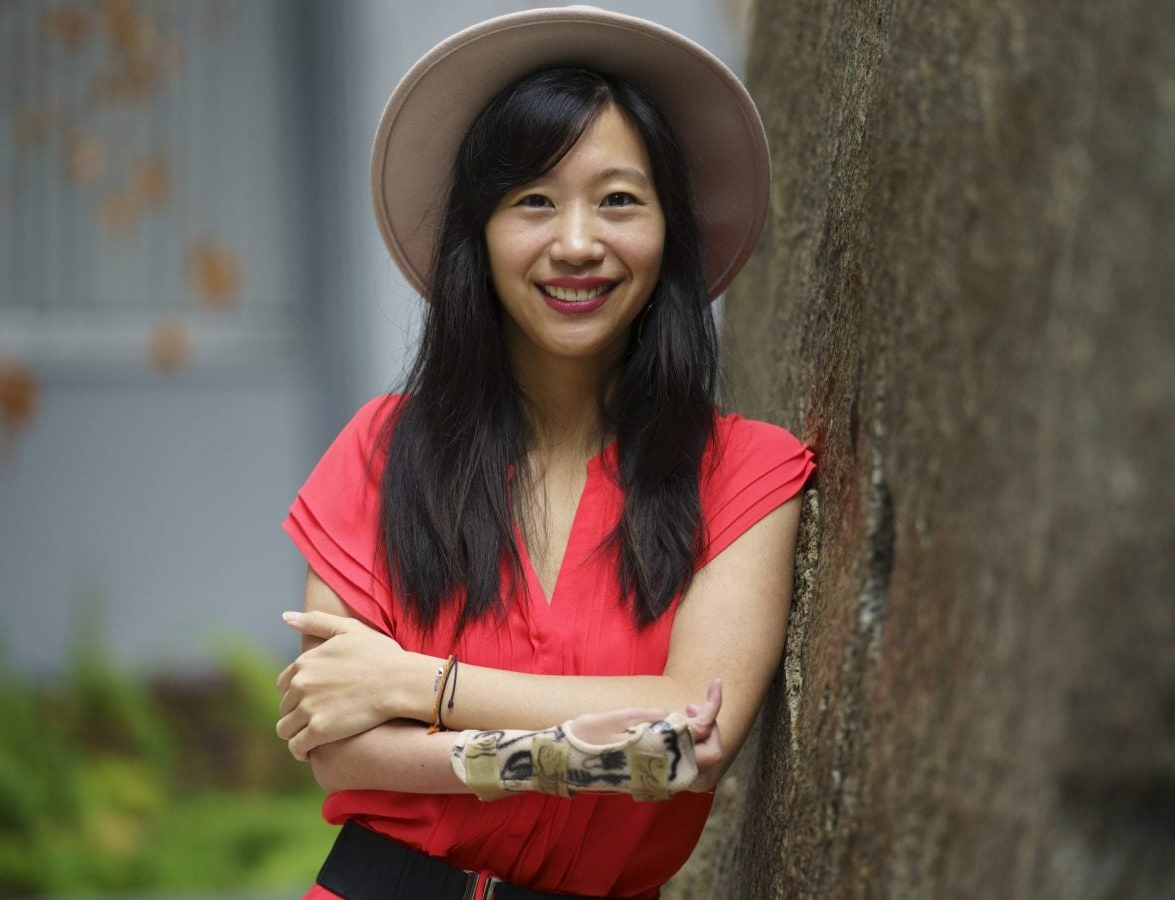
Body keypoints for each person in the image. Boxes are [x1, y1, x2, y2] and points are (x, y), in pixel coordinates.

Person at [273, 8, 813, 899]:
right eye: (533, 201)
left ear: (668, 228)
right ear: (478, 234)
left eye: (618, 200)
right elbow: (340, 749)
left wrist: (421, 685)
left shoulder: (747, 474)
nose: (575, 243)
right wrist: (602, 747)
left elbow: (686, 742)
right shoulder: (381, 450)